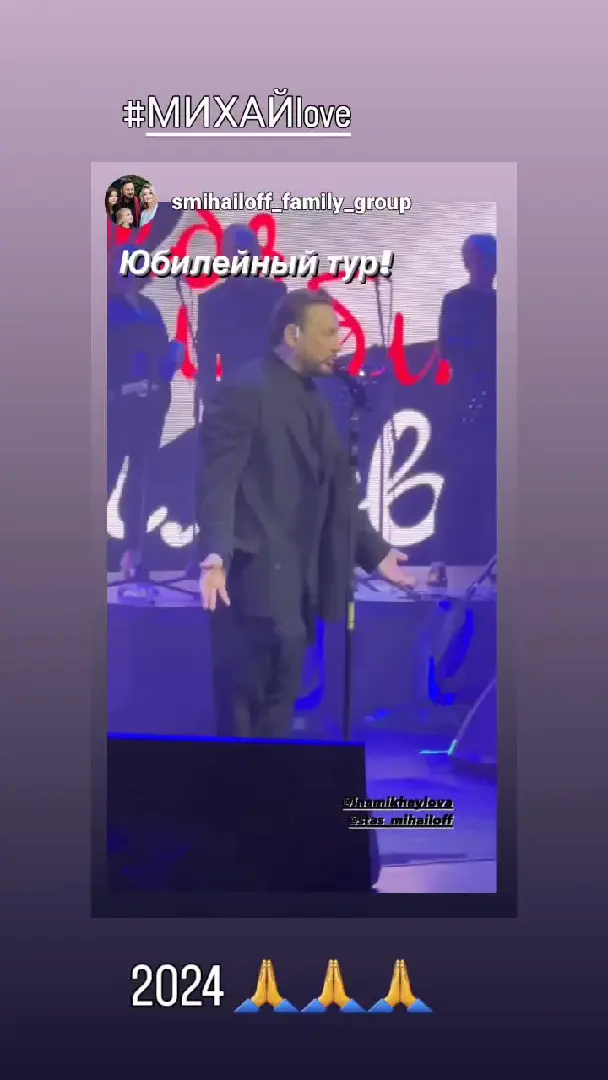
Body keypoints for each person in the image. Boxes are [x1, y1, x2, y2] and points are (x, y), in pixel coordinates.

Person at [196, 288, 414, 739]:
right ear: (293, 335)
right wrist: (216, 554)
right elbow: (217, 480)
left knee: (280, 710)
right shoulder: (244, 390)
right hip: (253, 581)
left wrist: (374, 551)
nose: (339, 342)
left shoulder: (314, 397)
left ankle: (272, 785)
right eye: (328, 333)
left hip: (299, 580)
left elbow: (337, 486)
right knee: (243, 712)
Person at [107, 244, 180, 578]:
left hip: (150, 406)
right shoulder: (107, 307)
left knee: (141, 477)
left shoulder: (150, 307)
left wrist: (171, 361)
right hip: (119, 404)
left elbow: (160, 354)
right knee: (108, 473)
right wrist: (118, 389)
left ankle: (133, 554)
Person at [431, 234, 497, 575]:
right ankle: (443, 558)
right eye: (482, 257)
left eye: (492, 257)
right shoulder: (456, 301)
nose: (488, 264)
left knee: (494, 483)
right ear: (469, 262)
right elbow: (449, 347)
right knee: (457, 481)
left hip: (497, 404)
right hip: (466, 402)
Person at [196, 224, 288, 403]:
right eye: (238, 249)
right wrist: (215, 403)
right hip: (236, 399)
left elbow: (289, 345)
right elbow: (207, 363)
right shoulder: (212, 301)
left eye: (249, 248)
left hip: (276, 395)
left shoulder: (276, 293)